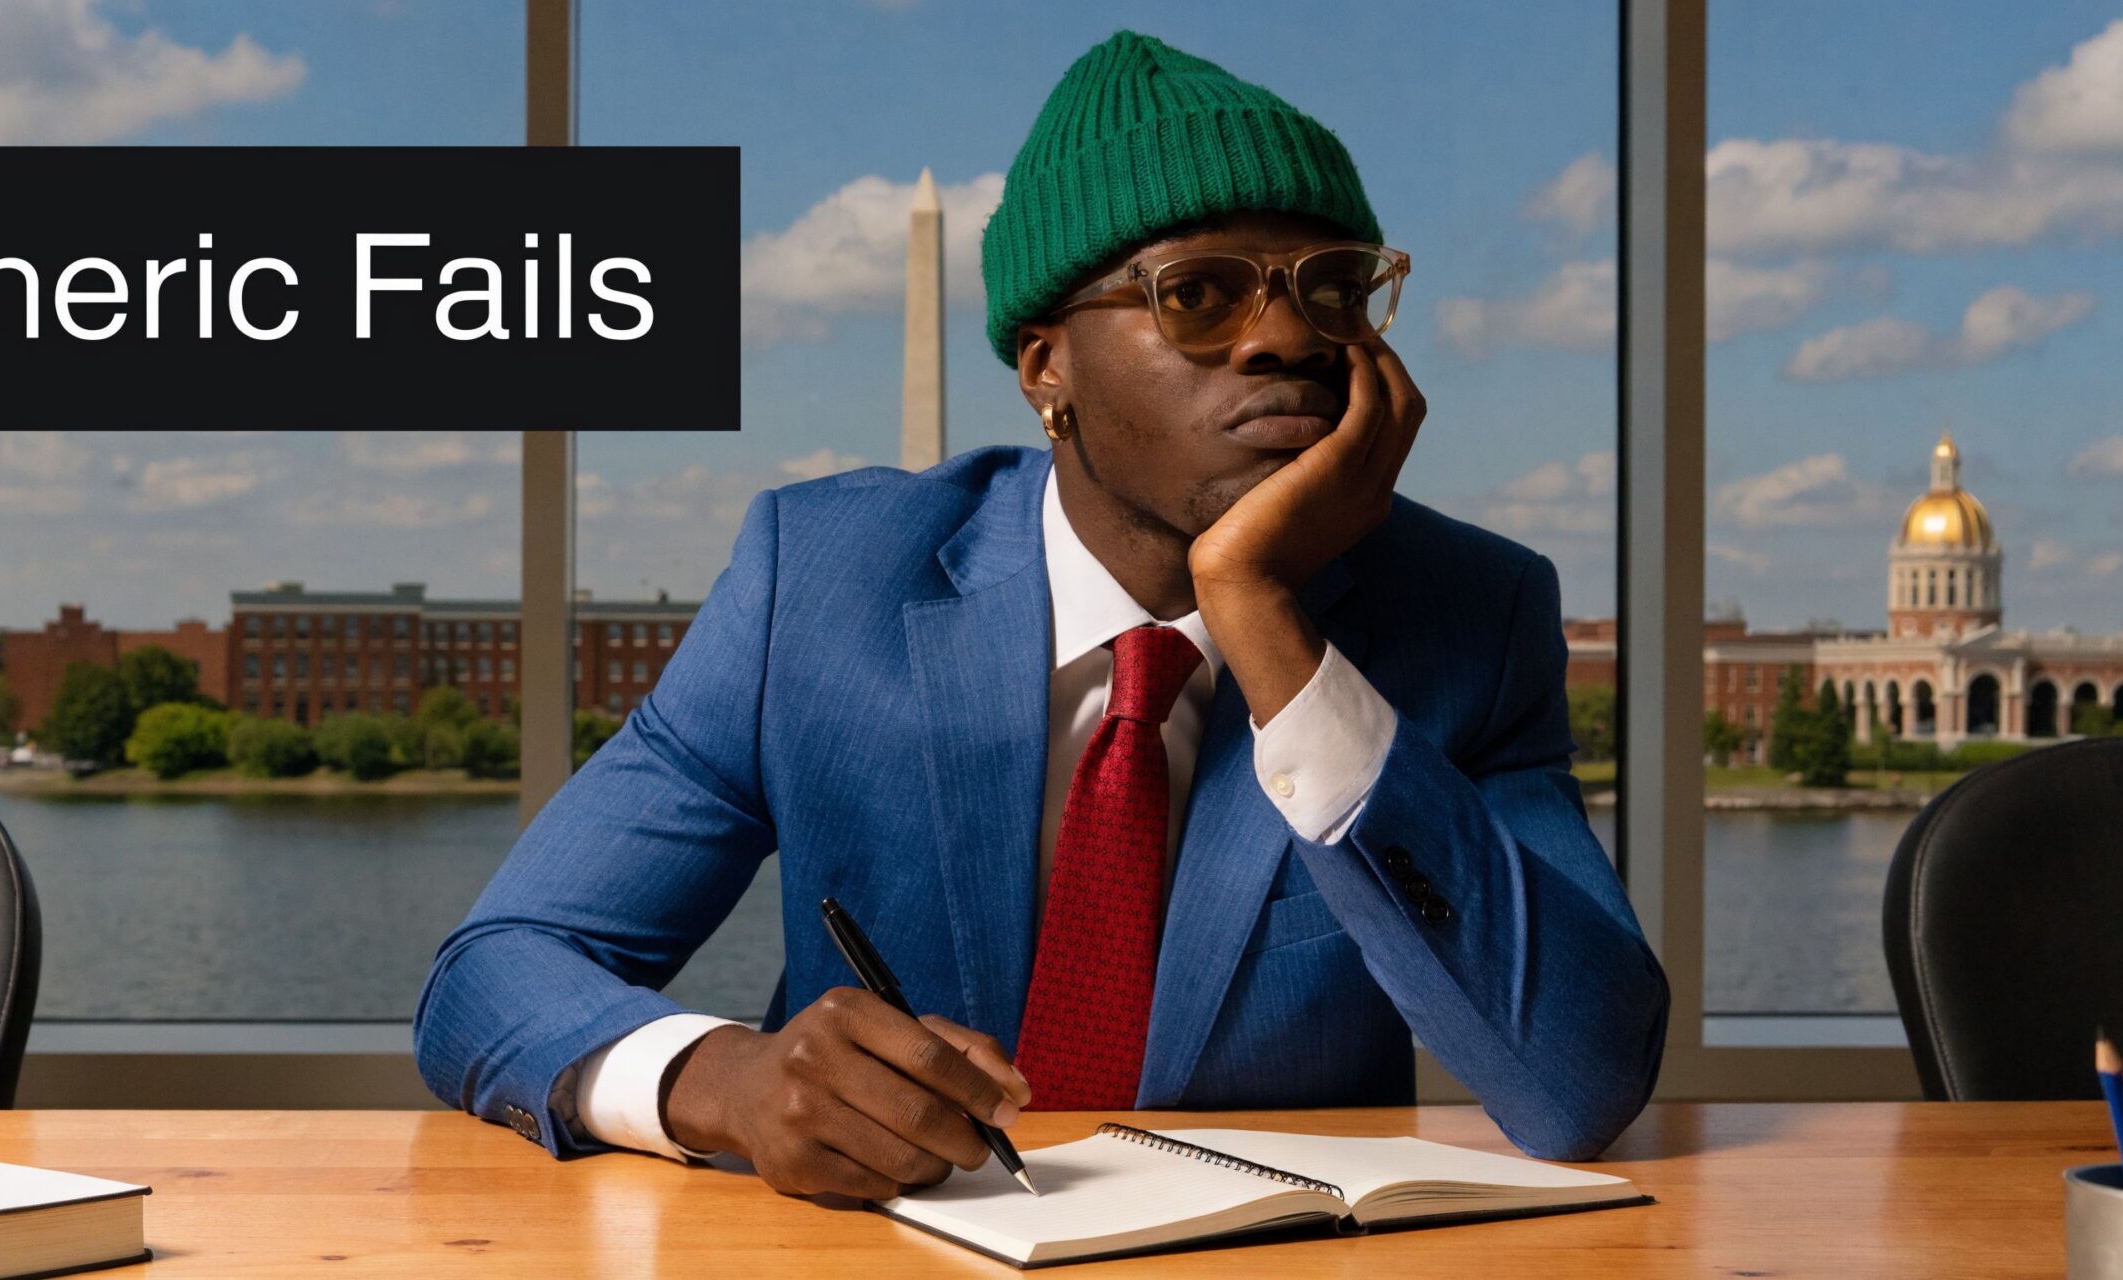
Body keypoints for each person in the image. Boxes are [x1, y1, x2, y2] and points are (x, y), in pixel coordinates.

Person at [416, 28, 1668, 1200]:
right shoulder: (824, 581)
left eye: (1331, 289)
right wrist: (718, 1079)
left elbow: (1582, 1080)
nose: (1285, 335)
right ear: (1044, 365)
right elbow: (492, 972)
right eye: (1200, 293)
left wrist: (1265, 619)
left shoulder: (1472, 611)